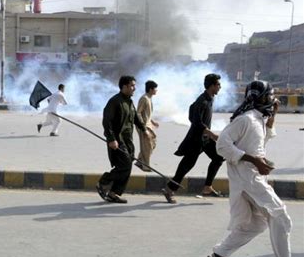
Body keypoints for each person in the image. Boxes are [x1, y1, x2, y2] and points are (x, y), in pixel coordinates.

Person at [208, 81, 304, 257]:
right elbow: (222, 145)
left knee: (257, 223)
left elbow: (260, 143)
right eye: (271, 96)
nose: (273, 100)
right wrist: (255, 161)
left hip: (253, 177)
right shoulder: (245, 119)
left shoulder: (259, 119)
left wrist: (273, 117)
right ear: (262, 97)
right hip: (248, 178)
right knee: (281, 216)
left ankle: (221, 253)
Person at [162, 73, 224, 204]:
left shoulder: (210, 98)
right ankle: (169, 189)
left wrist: (208, 134)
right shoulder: (202, 100)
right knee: (186, 165)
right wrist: (211, 133)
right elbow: (196, 121)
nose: (220, 87)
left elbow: (192, 113)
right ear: (212, 86)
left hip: (205, 139)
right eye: (218, 84)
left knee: (219, 157)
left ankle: (207, 187)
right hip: (196, 140)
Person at [96, 76, 147, 204]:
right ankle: (104, 181)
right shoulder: (114, 101)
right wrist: (111, 139)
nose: (134, 88)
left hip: (128, 140)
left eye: (134, 85)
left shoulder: (129, 101)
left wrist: (144, 129)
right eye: (132, 86)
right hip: (117, 140)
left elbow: (135, 116)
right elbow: (107, 121)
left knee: (127, 166)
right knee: (124, 164)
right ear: (124, 86)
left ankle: (114, 193)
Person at [135, 80, 159, 172]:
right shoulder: (144, 98)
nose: (156, 90)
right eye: (155, 89)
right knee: (147, 145)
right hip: (143, 126)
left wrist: (152, 122)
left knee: (152, 143)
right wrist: (143, 127)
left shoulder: (149, 98)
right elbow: (138, 113)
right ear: (150, 89)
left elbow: (146, 113)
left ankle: (139, 161)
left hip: (148, 125)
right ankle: (146, 166)